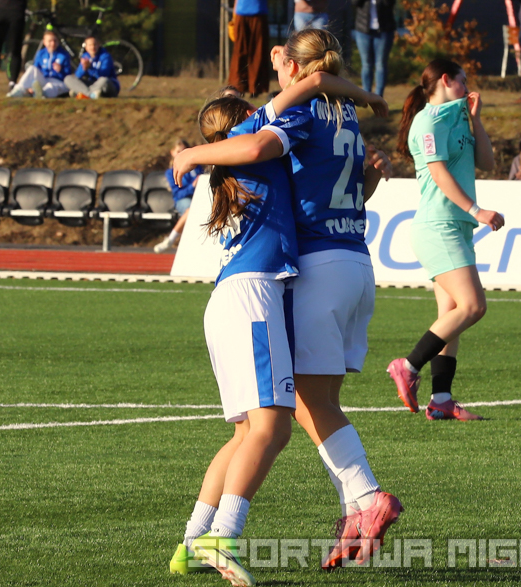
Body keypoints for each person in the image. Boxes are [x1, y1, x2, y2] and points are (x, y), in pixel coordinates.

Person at [172, 30, 401, 572]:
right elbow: (290, 146)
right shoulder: (341, 117)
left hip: (309, 269)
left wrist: (190, 155)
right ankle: (354, 510)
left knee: (298, 408)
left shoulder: (288, 120)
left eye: (281, 66)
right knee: (309, 405)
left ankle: (362, 500)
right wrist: (365, 99)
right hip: (352, 260)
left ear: (294, 68)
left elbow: (261, 139)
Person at [167, 96, 299, 587]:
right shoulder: (251, 156)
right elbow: (259, 136)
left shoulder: (227, 169)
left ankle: (191, 542)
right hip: (252, 299)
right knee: (272, 429)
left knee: (246, 434)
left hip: (228, 301)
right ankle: (222, 537)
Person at [387, 58, 504, 422]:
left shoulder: (456, 118)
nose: (467, 87)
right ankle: (407, 366)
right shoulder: (428, 120)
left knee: (451, 316)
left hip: (455, 226)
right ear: (445, 80)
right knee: (473, 306)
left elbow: (488, 163)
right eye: (462, 80)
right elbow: (438, 172)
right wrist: (477, 210)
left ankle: (441, 399)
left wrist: (476, 120)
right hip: (439, 226)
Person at [228, 0, 271, 97]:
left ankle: (255, 87)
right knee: (240, 51)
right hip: (241, 17)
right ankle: (238, 86)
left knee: (257, 52)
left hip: (258, 17)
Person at [351, 0, 396, 96]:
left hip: (383, 31)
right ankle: (366, 95)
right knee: (367, 64)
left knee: (381, 64)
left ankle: (378, 96)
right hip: (363, 31)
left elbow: (389, 3)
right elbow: (355, 1)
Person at [153, 140, 204, 254]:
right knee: (191, 210)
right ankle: (170, 239)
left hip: (200, 197)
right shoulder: (170, 173)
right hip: (183, 200)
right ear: (172, 153)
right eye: (178, 151)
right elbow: (177, 194)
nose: (181, 154)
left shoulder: (197, 168)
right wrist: (192, 186)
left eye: (184, 151)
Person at [7, 30, 71, 98]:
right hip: (44, 79)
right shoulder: (41, 53)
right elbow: (35, 71)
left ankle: (41, 94)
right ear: (44, 42)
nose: (53, 43)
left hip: (57, 81)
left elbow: (68, 76)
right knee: (31, 68)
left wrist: (60, 70)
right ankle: (19, 90)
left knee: (51, 87)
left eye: (55, 41)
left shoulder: (64, 55)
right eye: (50, 41)